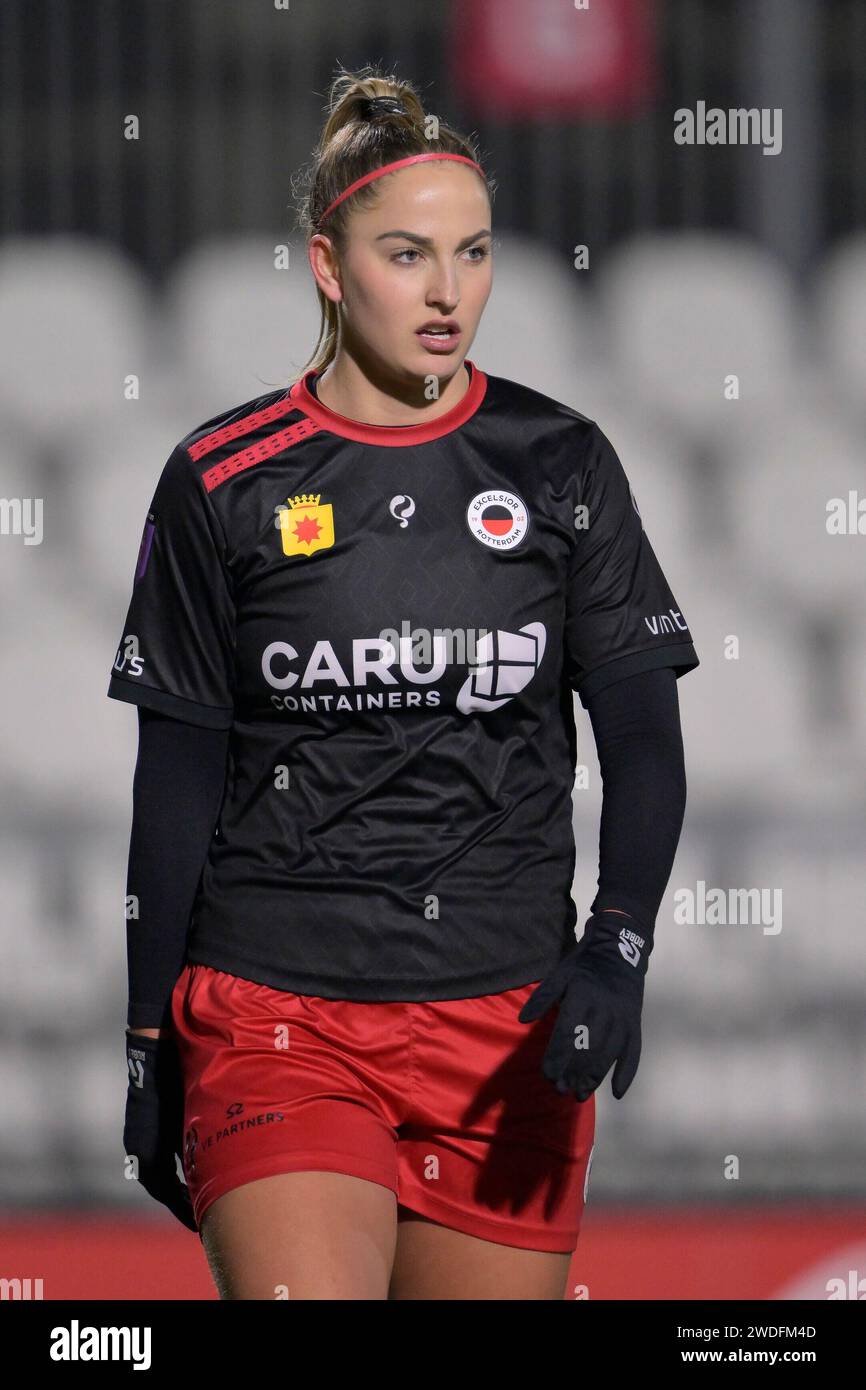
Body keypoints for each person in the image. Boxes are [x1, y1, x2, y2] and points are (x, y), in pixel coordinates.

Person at [111, 65, 699, 1300]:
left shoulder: (560, 462)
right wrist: (149, 1039)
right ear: (328, 266)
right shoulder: (225, 477)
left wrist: (616, 954)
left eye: (473, 252)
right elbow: (175, 778)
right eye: (406, 254)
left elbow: (642, 742)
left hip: (505, 1033)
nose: (446, 293)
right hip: (280, 1018)